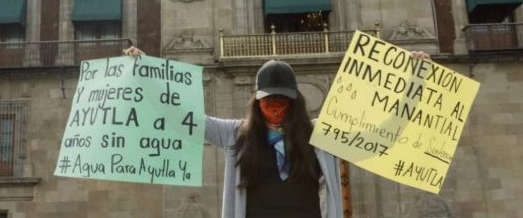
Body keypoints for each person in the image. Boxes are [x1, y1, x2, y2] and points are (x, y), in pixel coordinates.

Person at [123, 47, 430, 218]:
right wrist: (143, 76)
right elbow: (184, 118)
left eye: (282, 101)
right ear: (256, 103)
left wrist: (416, 84)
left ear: (295, 102)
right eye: (268, 101)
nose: (275, 109)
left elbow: (379, 138)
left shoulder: (321, 138)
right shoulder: (235, 136)